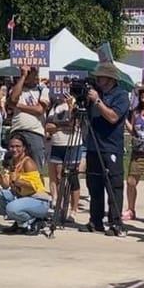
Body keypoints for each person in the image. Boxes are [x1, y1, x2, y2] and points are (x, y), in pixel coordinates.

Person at [78, 62, 130, 236]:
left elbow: (113, 117)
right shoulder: (94, 94)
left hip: (110, 147)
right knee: (94, 185)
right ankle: (95, 220)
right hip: (93, 145)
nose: (98, 79)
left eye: (101, 77)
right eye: (97, 77)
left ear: (110, 79)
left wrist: (97, 101)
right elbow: (82, 115)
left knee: (113, 185)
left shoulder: (121, 95)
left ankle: (116, 223)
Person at [0, 134, 51, 234]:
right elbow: (6, 185)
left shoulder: (28, 162)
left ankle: (34, 221)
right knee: (1, 194)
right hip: (24, 197)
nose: (14, 149)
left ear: (24, 148)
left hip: (38, 200)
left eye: (18, 146)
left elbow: (33, 187)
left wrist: (18, 181)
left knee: (11, 208)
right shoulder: (13, 162)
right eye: (12, 146)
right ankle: (20, 223)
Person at [123, 81, 144, 222]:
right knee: (131, 181)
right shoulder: (136, 112)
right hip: (137, 152)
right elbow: (133, 131)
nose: (143, 95)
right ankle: (131, 209)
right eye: (142, 92)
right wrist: (125, 121)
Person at [46, 86, 82, 222]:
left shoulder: (75, 105)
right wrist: (62, 125)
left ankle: (74, 209)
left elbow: (74, 124)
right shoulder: (54, 107)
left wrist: (71, 106)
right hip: (57, 144)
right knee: (59, 178)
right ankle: (61, 207)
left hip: (72, 144)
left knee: (72, 178)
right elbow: (49, 126)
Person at [8, 65, 50, 168]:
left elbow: (39, 110)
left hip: (34, 132)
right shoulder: (17, 88)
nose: (34, 76)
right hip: (17, 130)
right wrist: (23, 76)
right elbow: (12, 99)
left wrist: (18, 105)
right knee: (16, 166)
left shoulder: (42, 90)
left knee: (36, 167)